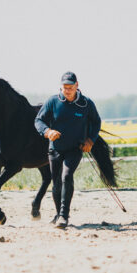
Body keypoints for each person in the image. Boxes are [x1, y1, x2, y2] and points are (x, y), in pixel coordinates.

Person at [34, 71, 101, 229]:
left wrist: (91, 139)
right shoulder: (52, 101)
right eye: (65, 87)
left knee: (67, 175)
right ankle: (59, 214)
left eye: (70, 87)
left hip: (74, 149)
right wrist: (47, 131)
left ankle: (64, 215)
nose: (68, 90)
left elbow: (96, 122)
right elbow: (39, 120)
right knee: (56, 183)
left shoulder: (86, 104)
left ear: (77, 86)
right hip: (55, 149)